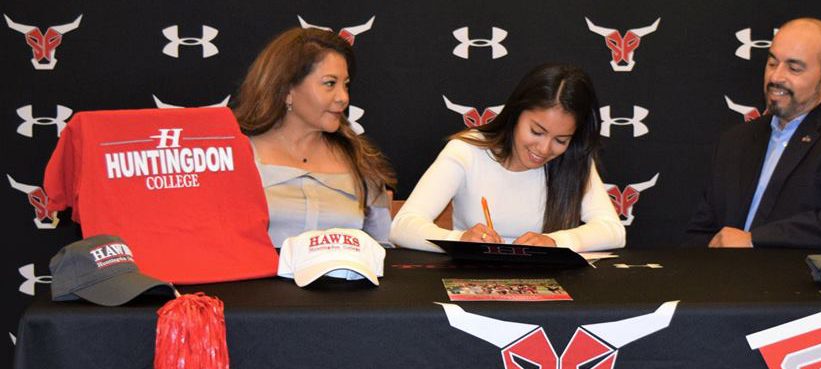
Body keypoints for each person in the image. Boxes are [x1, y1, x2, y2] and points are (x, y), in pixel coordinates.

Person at [686, 18, 821, 249]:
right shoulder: (735, 141)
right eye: (772, 63)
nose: (776, 77)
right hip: (723, 279)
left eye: (794, 68)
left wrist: (753, 240)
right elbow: (701, 233)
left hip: (800, 280)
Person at [389, 64, 625, 252]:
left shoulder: (574, 159)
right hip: (473, 289)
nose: (543, 148)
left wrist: (557, 242)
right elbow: (403, 227)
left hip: (551, 299)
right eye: (536, 131)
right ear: (516, 113)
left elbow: (612, 231)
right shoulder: (468, 151)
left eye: (560, 140)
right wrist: (459, 239)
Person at [233, 28, 395, 247]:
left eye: (346, 85)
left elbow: (382, 247)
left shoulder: (361, 160)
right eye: (330, 83)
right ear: (287, 89)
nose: (343, 98)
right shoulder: (235, 155)